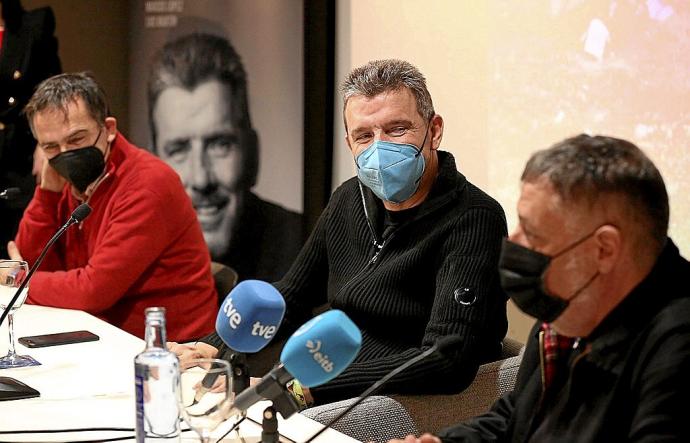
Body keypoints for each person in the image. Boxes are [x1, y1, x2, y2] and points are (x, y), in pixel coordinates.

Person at [172, 59, 509, 407]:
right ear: (349, 143)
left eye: (397, 130)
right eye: (365, 136)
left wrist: (296, 389)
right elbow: (294, 294)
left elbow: (445, 359)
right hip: (322, 376)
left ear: (433, 130)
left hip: (390, 398)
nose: (380, 148)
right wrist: (212, 346)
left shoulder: (475, 218)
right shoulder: (350, 196)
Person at [391, 134, 690, 442]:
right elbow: (518, 418)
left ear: (604, 249)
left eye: (533, 234)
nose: (513, 242)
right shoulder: (569, 307)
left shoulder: (676, 347)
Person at [8, 72, 217, 341]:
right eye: (51, 147)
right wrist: (46, 196)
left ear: (109, 129)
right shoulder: (65, 180)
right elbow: (31, 261)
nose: (64, 154)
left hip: (171, 348)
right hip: (100, 333)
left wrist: (18, 282)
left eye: (76, 140)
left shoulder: (148, 184)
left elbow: (93, 291)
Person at [147, 32, 304, 284]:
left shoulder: (306, 247)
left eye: (220, 144)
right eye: (179, 150)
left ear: (253, 153)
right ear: (152, 163)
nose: (201, 178)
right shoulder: (133, 251)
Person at [0, 0, 61, 252]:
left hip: (19, 153)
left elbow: (51, 91)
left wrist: (44, 145)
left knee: (18, 247)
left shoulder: (34, 26)